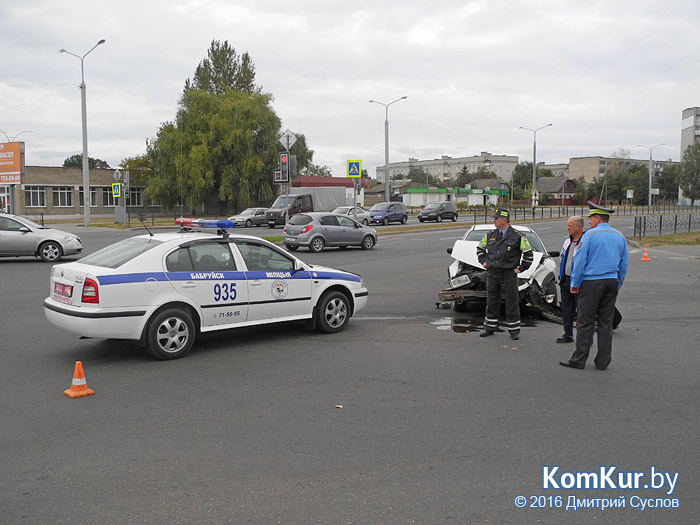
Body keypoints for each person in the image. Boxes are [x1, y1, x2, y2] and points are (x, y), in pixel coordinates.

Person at [560, 202, 628, 370]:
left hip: (591, 283)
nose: (589, 222)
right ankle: (603, 361)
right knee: (605, 322)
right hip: (611, 282)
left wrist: (575, 283)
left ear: (597, 218)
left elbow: (580, 261)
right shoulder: (620, 236)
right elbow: (623, 263)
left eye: (591, 218)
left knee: (585, 321)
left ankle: (579, 359)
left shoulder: (589, 235)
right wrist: (618, 282)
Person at [477, 208, 534, 340]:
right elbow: (480, 249)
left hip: (508, 274)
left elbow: (528, 254)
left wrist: (520, 268)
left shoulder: (517, 236)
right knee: (492, 301)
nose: (494, 221)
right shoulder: (490, 234)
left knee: (511, 302)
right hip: (492, 273)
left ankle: (514, 330)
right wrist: (484, 262)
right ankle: (489, 327)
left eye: (496, 218)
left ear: (504, 220)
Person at [555, 216, 584, 343]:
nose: (567, 228)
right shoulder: (567, 242)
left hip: (579, 282)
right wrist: (560, 276)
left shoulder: (585, 242)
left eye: (570, 226)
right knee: (566, 309)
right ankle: (568, 334)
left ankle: (585, 337)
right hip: (565, 281)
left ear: (579, 227)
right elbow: (562, 260)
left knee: (582, 311)